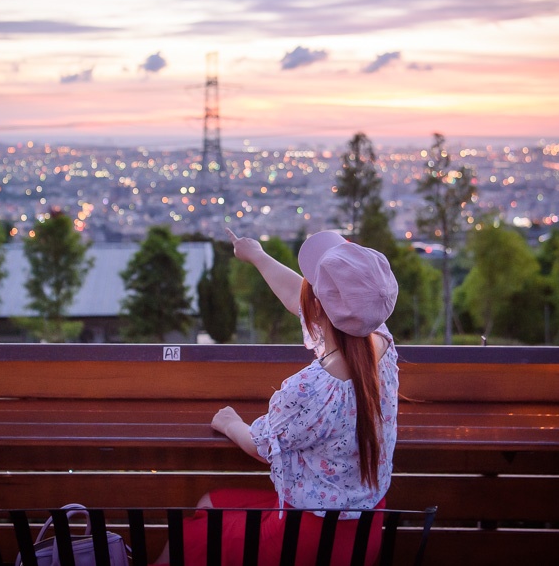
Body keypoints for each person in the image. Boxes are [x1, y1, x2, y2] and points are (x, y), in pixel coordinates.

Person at [155, 228, 399, 566]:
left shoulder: (310, 387)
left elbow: (262, 446)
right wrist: (257, 256)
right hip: (363, 536)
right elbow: (309, 303)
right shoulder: (381, 344)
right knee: (211, 503)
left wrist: (229, 423)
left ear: (317, 303)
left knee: (191, 534)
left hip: (303, 543)